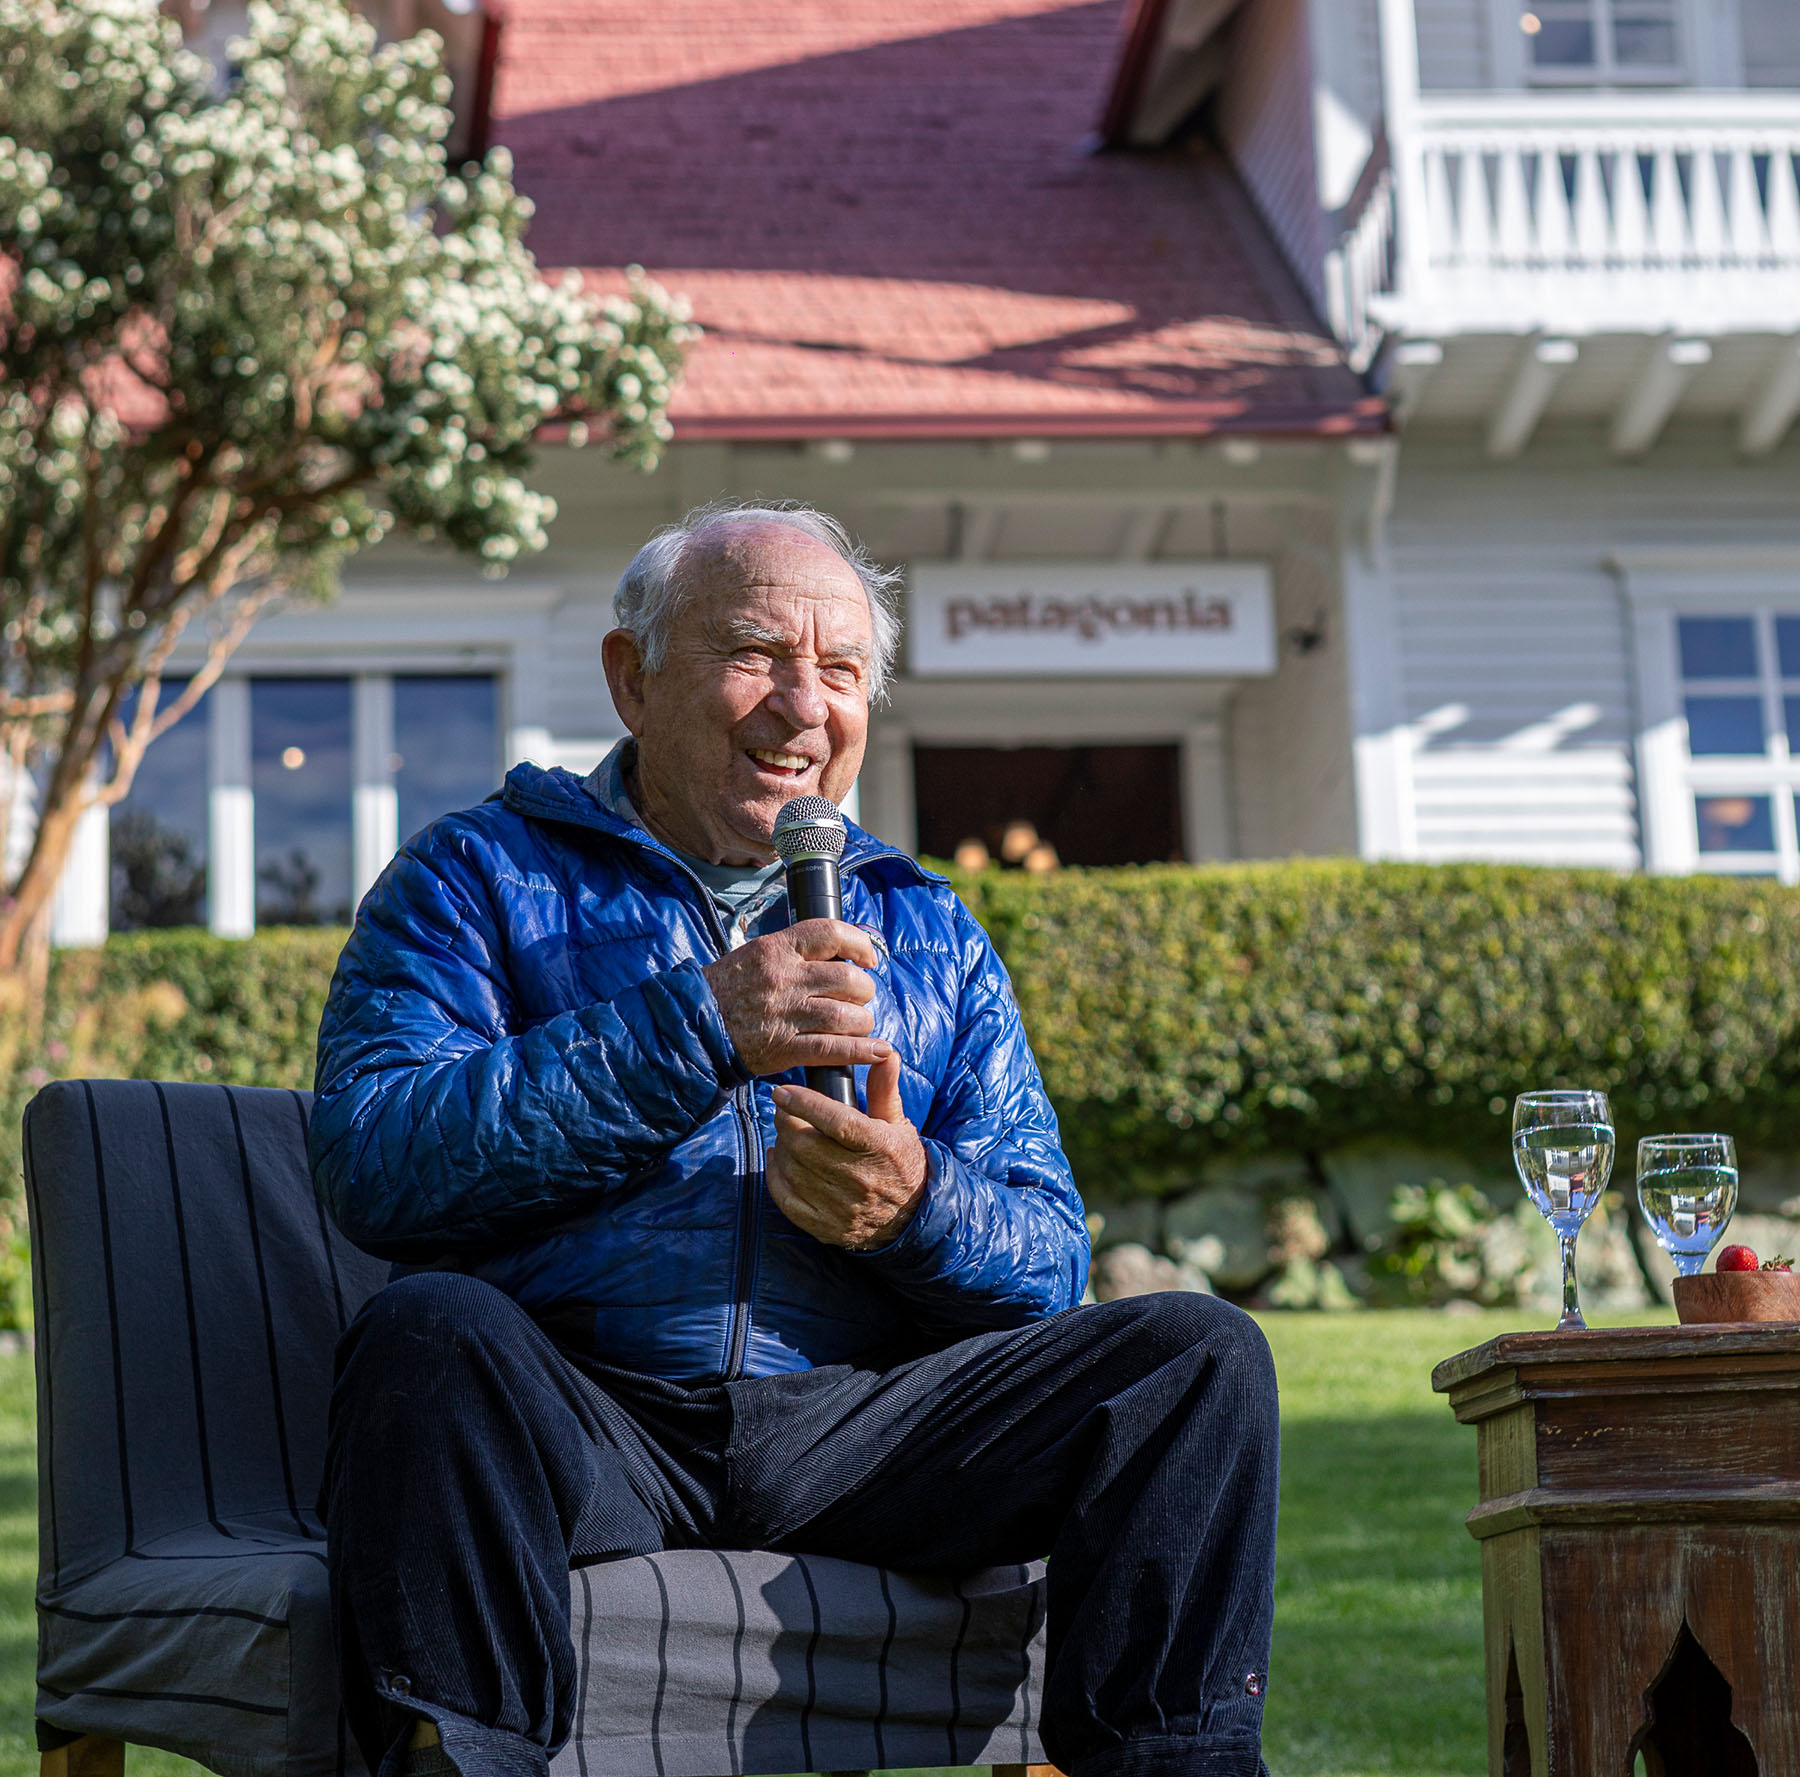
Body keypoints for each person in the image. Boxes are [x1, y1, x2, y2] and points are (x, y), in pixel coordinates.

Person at [310, 500, 1280, 1777]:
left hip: (864, 1428)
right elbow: (377, 1155)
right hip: (587, 1407)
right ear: (632, 680)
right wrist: (703, 1024)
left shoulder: (929, 928)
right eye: (757, 656)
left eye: (839, 672)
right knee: (428, 1333)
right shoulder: (473, 877)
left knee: (1196, 1359)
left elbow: (1046, 1255)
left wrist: (914, 1206)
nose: (801, 708)